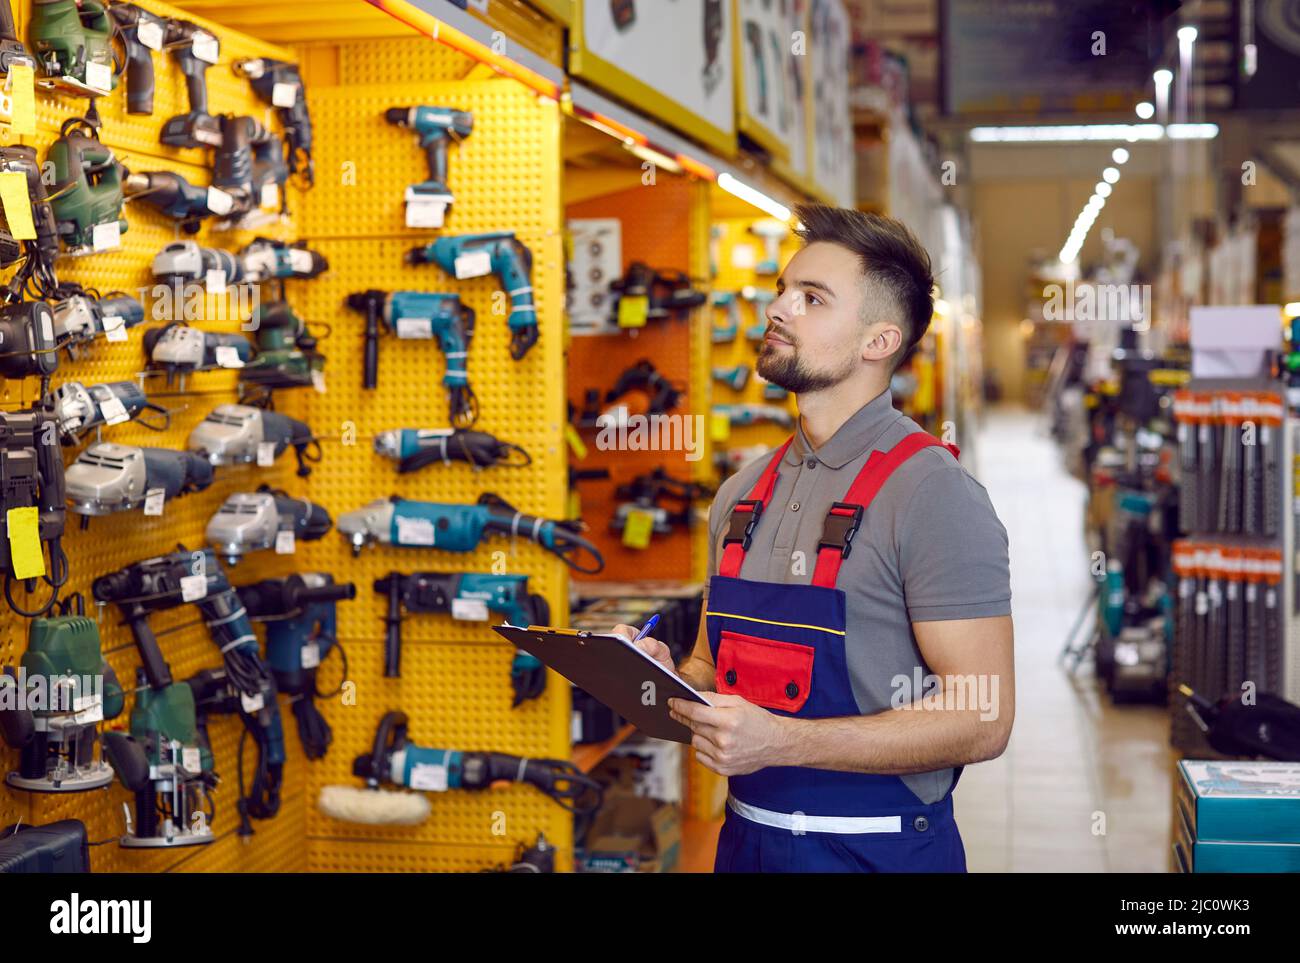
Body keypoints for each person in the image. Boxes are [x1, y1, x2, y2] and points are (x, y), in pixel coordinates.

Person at [616, 203, 1014, 873]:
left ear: (878, 341)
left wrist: (781, 741)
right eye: (781, 290)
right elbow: (710, 672)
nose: (778, 309)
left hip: (879, 848)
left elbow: (983, 718)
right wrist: (654, 679)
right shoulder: (741, 495)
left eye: (812, 298)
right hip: (746, 845)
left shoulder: (933, 493)